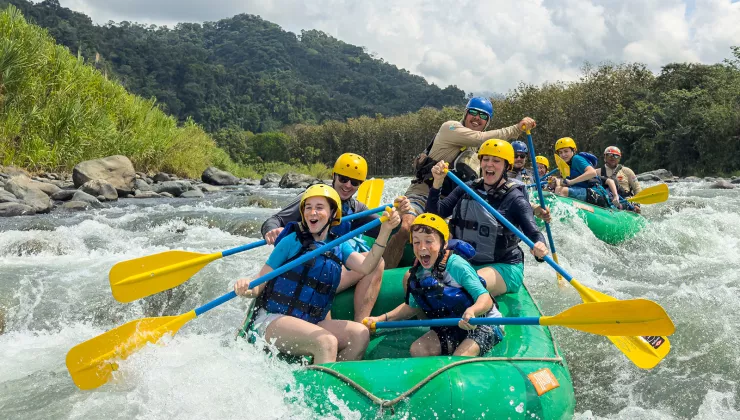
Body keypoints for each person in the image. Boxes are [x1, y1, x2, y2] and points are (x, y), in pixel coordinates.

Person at [235, 184, 401, 364]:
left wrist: (385, 231)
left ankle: (331, 377)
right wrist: (246, 287)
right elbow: (260, 284)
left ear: (332, 214)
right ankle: (319, 387)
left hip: (311, 321)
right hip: (272, 319)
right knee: (326, 341)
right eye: (308, 207)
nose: (312, 212)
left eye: (319, 208)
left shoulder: (339, 245)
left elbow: (367, 267)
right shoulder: (291, 241)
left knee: (360, 334)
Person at [385, 97, 536, 268]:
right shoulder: (450, 128)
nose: (477, 118)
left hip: (450, 203)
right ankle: (382, 273)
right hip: (423, 193)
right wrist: (516, 129)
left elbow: (494, 186)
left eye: (483, 116)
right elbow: (480, 138)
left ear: (487, 121)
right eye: (473, 112)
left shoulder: (477, 152)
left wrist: (532, 208)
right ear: (465, 113)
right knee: (407, 226)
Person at [260, 153, 412, 321]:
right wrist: (272, 230)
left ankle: (361, 324)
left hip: (328, 270)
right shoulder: (314, 199)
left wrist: (399, 214)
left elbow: (385, 228)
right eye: (343, 179)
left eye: (354, 182)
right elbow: (274, 220)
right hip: (300, 271)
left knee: (377, 263)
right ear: (334, 176)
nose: (348, 185)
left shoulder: (356, 209)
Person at [363, 214, 504, 357]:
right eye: (416, 242)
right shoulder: (418, 272)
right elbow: (412, 306)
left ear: (443, 244)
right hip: (451, 325)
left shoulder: (456, 265)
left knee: (457, 359)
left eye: (429, 241)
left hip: (482, 322)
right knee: (418, 349)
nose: (422, 247)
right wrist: (380, 319)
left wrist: (472, 311)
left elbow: (485, 298)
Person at [426, 140, 549, 296]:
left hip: (503, 266)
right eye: (486, 159)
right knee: (419, 284)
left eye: (496, 161)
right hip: (465, 262)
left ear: (507, 166)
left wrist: (540, 246)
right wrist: (437, 182)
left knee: (466, 288)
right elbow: (433, 216)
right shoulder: (467, 188)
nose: (489, 164)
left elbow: (534, 233)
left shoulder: (515, 199)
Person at [551, 137, 622, 209]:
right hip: (587, 192)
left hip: (597, 194)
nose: (563, 155)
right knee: (557, 189)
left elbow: (592, 172)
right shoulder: (566, 166)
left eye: (566, 151)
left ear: (573, 150)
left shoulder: (576, 159)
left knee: (561, 191)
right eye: (560, 152)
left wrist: (571, 182)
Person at [598, 146, 643, 213]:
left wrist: (637, 204)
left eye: (616, 156)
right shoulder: (597, 172)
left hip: (626, 202)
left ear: (619, 158)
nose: (613, 157)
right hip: (607, 202)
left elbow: (637, 189)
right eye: (610, 155)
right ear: (605, 157)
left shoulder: (627, 171)